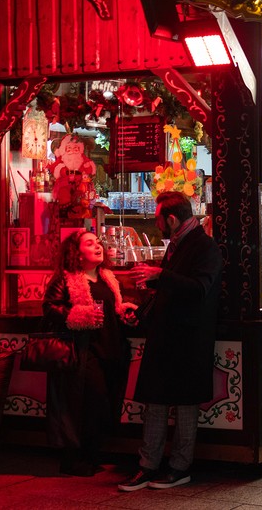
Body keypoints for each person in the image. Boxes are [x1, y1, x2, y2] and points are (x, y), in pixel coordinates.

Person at [119, 192, 223, 492]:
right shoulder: (179, 245)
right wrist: (142, 310)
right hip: (167, 336)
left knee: (185, 405)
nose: (157, 224)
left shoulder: (205, 247)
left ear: (172, 219)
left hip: (189, 339)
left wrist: (160, 275)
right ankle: (147, 466)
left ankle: (179, 467)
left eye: (159, 219)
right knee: (156, 403)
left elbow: (199, 288)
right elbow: (172, 288)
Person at [42, 230, 136, 476]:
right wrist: (77, 315)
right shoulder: (65, 279)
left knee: (105, 404)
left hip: (111, 348)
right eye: (89, 243)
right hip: (85, 351)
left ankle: (92, 455)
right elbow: (50, 308)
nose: (98, 246)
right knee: (88, 403)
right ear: (77, 252)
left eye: (98, 242)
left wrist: (124, 310)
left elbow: (113, 309)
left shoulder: (107, 277)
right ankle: (75, 458)